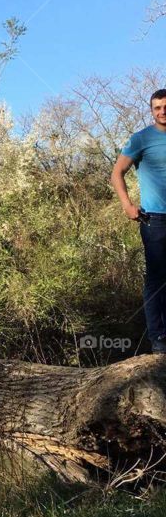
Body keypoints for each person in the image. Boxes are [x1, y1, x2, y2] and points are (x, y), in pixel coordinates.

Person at [112, 89, 166, 353]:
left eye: (165, 106)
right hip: (154, 220)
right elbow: (117, 173)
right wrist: (127, 205)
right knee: (156, 280)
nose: (162, 111)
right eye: (157, 108)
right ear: (151, 111)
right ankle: (159, 340)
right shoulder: (141, 139)